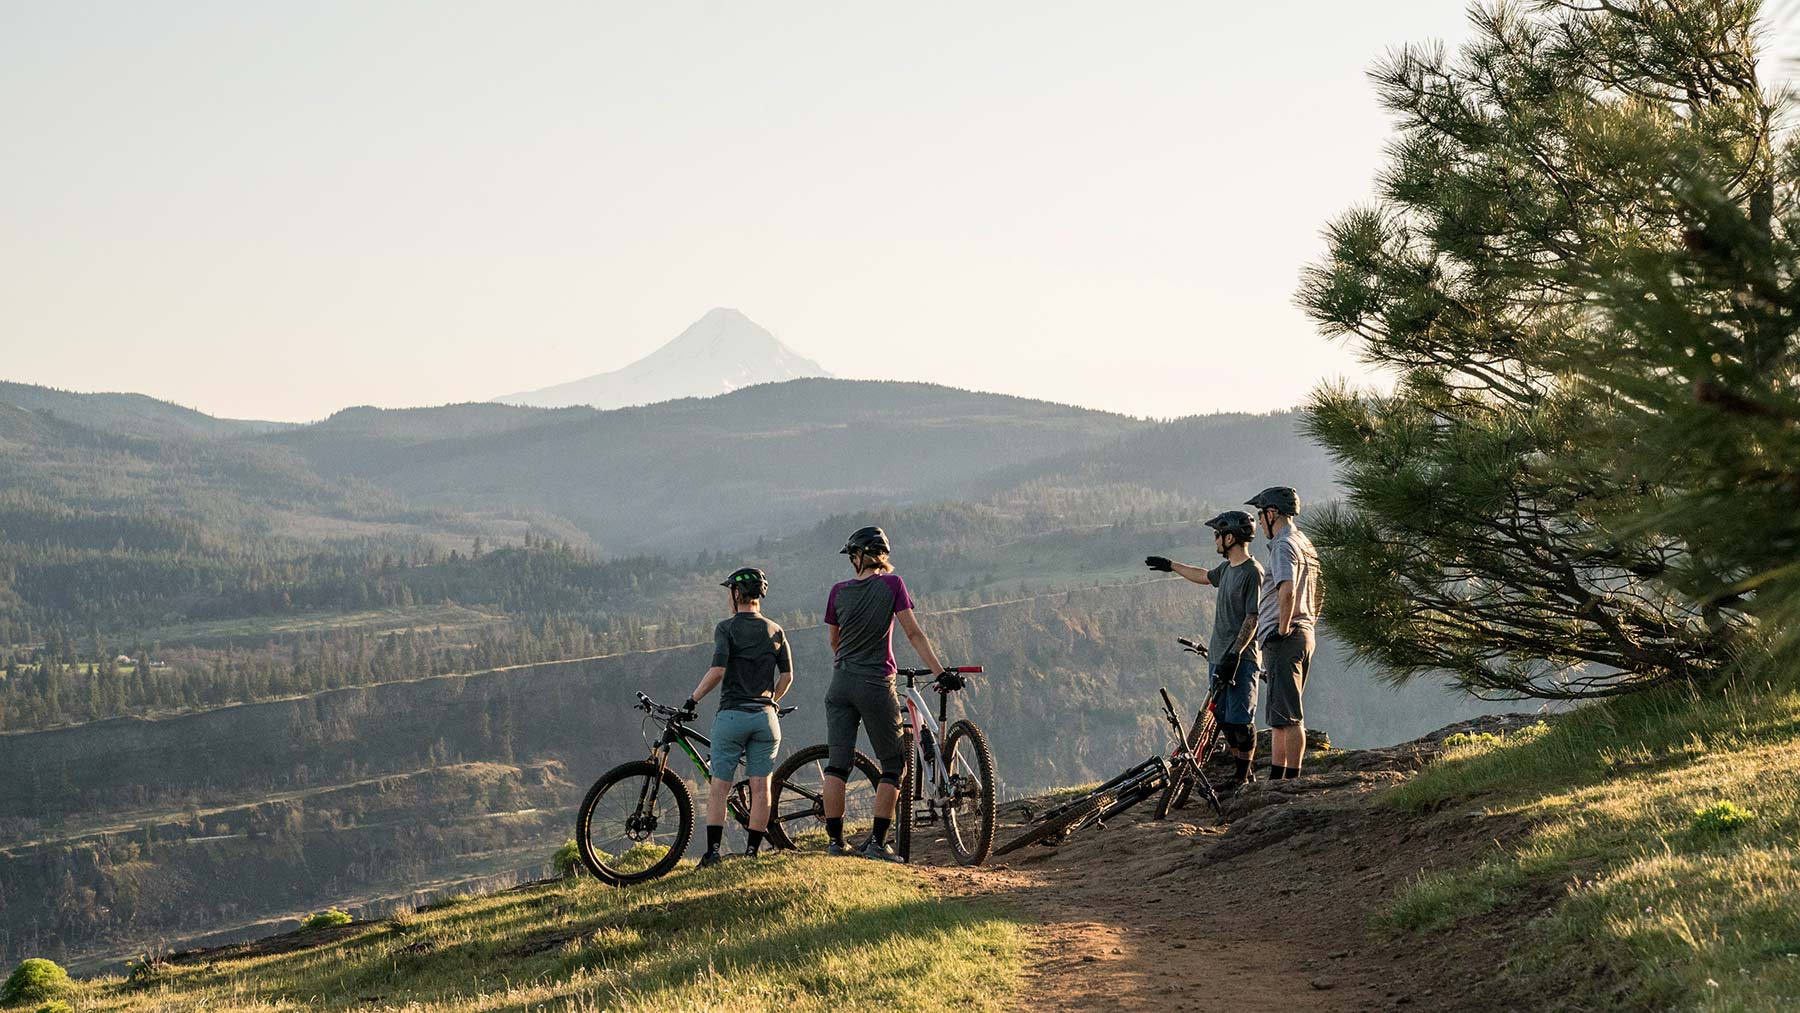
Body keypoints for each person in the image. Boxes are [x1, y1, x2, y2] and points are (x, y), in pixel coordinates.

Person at [820, 525, 951, 862]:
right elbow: (914, 634)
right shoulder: (893, 584)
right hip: (875, 684)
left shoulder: (838, 591)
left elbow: (835, 642)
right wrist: (939, 673)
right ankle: (877, 844)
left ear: (858, 557)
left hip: (840, 683)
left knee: (837, 765)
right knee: (893, 765)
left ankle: (836, 844)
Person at [1144, 510, 1264, 793]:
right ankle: (1240, 776)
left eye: (1217, 535)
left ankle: (1242, 778)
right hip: (1218, 656)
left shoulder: (1251, 572)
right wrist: (1171, 565)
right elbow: (1204, 576)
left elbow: (1253, 617)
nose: (1215, 540)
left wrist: (1235, 654)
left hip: (1240, 659)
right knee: (1222, 717)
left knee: (1241, 720)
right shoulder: (1227, 570)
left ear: (1230, 537)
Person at [681, 566, 793, 868]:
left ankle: (713, 853)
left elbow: (717, 671)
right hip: (766, 718)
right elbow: (787, 676)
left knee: (719, 787)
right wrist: (772, 701)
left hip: (732, 716)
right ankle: (752, 854)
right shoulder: (776, 630)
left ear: (736, 593)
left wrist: (692, 699)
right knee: (761, 787)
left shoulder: (726, 629)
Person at [1245, 486, 1321, 780]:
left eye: (1260, 515)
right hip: (1304, 634)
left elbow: (1286, 588)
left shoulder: (1283, 544)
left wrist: (1283, 627)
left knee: (1289, 715)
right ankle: (1278, 777)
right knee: (1280, 713)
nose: (1259, 521)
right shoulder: (1305, 543)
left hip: (1286, 638)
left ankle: (1290, 779)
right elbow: (1319, 591)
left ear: (1272, 513)